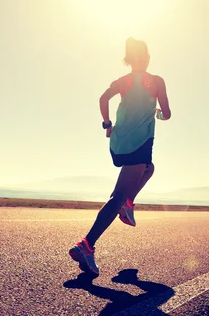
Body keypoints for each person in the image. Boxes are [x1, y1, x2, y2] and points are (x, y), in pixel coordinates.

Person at [69, 38, 171, 277]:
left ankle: (128, 203)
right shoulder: (156, 81)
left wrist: (107, 124)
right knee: (118, 196)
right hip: (140, 143)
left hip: (119, 143)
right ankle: (87, 245)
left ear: (128, 60)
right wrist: (157, 113)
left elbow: (103, 99)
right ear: (147, 58)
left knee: (149, 169)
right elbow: (167, 114)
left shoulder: (122, 82)